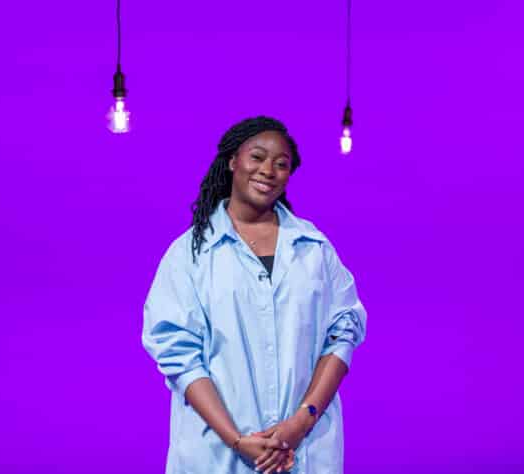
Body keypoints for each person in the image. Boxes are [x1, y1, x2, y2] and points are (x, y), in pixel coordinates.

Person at [142, 116, 367, 474]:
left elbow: (343, 333)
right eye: (257, 157)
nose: (269, 171)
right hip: (216, 452)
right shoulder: (189, 255)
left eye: (282, 164)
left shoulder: (315, 249)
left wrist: (301, 422)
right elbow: (178, 354)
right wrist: (235, 439)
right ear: (232, 161)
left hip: (303, 449)